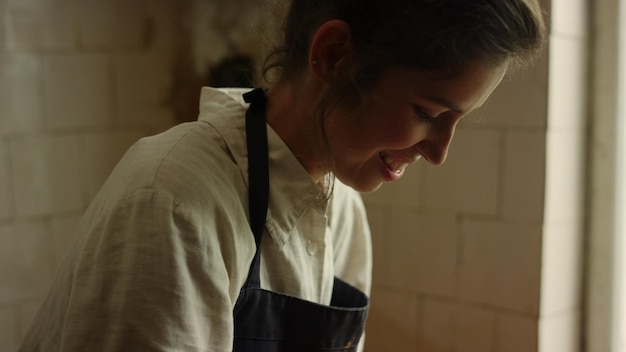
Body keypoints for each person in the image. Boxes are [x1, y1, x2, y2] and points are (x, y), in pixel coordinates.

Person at [20, 0, 546, 351]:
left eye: (458, 123)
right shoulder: (175, 200)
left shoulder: (341, 210)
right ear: (333, 55)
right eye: (429, 113)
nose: (438, 153)